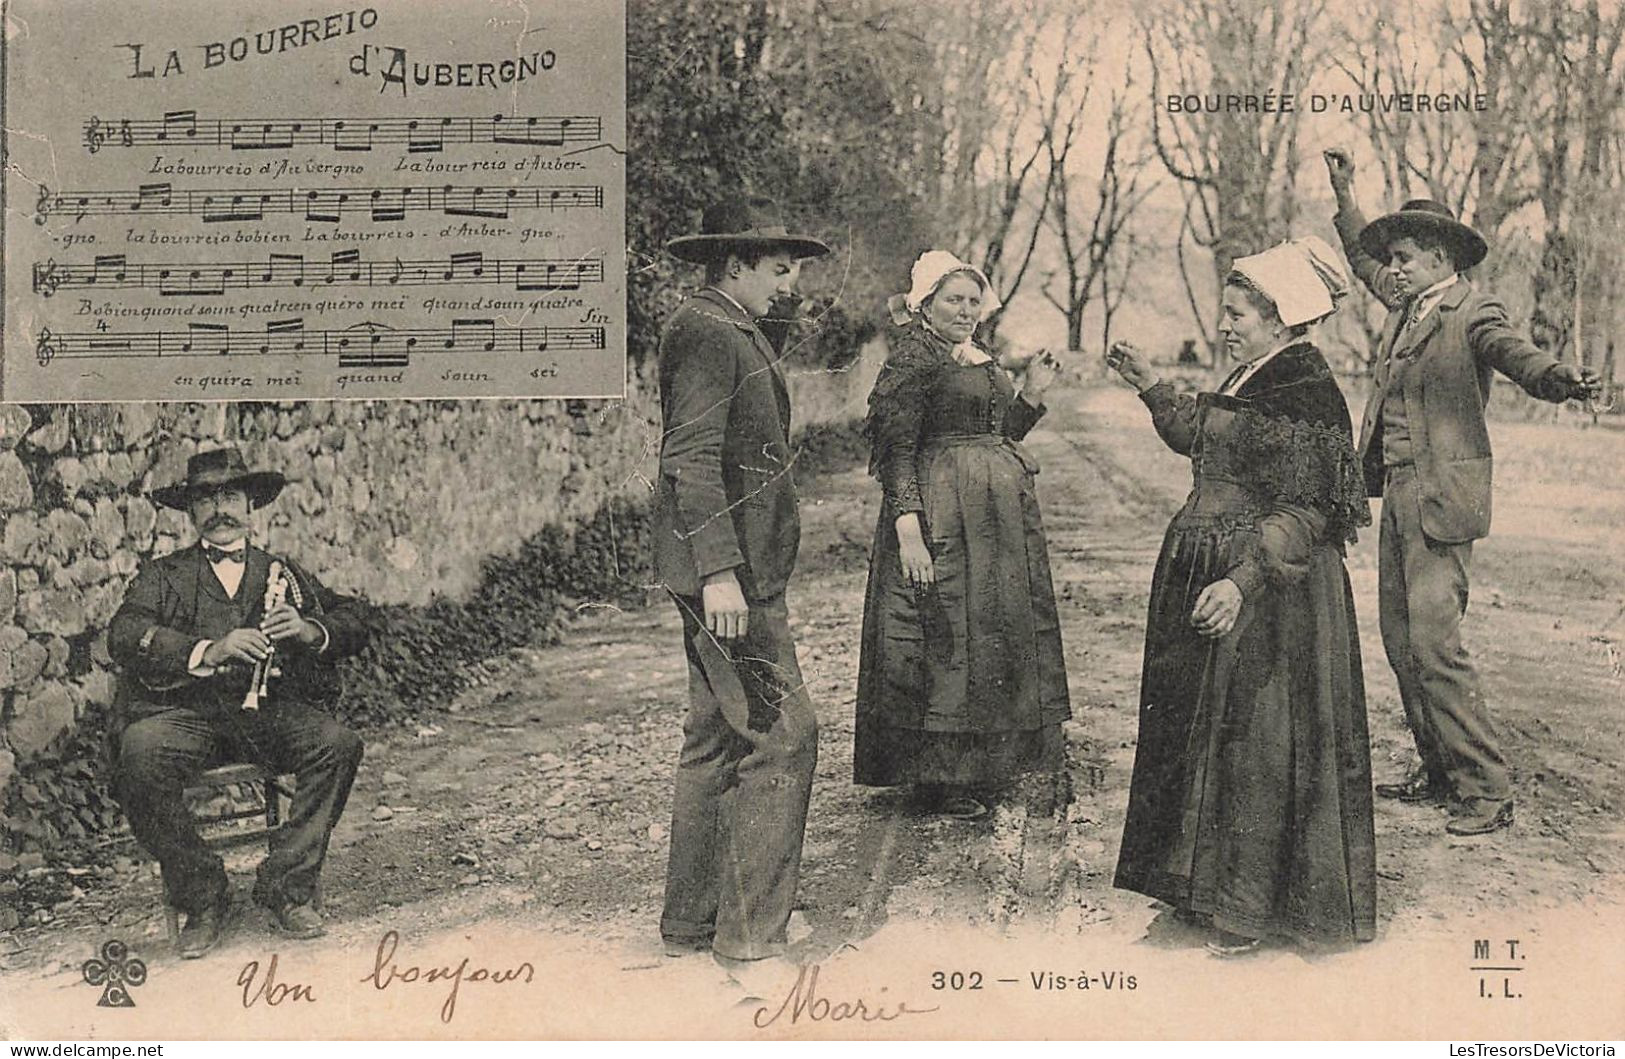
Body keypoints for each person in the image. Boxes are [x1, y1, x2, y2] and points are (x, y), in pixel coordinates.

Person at [1107, 238, 1377, 954]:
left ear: (1281, 315)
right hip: (1223, 578)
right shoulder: (1257, 371)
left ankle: (1250, 911)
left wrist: (1238, 579)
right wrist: (1149, 384)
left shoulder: (1306, 389)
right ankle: (1207, 892)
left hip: (1271, 593)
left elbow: (1309, 510)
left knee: (1258, 746)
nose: (1224, 323)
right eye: (1226, 311)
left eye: (1237, 313)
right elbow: (1204, 436)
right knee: (1211, 741)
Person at [1323, 148, 1603, 836]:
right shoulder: (1404, 303)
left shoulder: (1470, 310)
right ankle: (1439, 768)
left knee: (1436, 644)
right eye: (1391, 257)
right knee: (1399, 640)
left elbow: (1514, 353)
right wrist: (1343, 191)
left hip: (1443, 502)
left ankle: (1486, 787)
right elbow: (1362, 265)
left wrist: (1556, 379)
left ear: (1444, 261)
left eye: (1406, 257)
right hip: (1397, 498)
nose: (1392, 268)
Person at [653, 196, 828, 977]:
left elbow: (767, 351)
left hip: (733, 569)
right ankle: (753, 932)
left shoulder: (729, 326)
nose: (790, 283)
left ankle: (692, 918)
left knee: (716, 736)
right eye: (779, 268)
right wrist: (719, 571)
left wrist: (786, 299)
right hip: (730, 576)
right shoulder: (705, 332)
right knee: (785, 733)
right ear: (733, 266)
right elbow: (688, 457)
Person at [108, 446, 367, 958]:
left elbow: (354, 618)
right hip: (189, 716)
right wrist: (207, 649)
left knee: (337, 745)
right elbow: (125, 633)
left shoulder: (282, 572)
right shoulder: (165, 575)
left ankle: (286, 887)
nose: (219, 508)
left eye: (231, 495)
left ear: (250, 505)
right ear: (191, 511)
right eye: (205, 498)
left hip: (268, 713)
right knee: (138, 753)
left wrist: (309, 628)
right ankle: (203, 896)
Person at [854, 250, 1070, 820]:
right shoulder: (914, 357)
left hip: (991, 524)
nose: (966, 310)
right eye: (955, 300)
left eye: (974, 301)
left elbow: (998, 434)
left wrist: (1033, 393)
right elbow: (895, 449)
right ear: (926, 302)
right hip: (941, 514)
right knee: (941, 635)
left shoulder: (974, 355)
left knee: (986, 635)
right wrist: (908, 528)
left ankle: (977, 767)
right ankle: (937, 778)